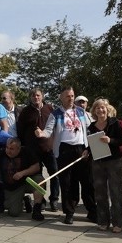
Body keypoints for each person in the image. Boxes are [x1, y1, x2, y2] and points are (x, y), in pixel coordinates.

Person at [37, 87, 93, 224]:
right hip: (64, 150)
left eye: (72, 96)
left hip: (82, 149)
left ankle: (92, 211)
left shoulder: (81, 111)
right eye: (68, 96)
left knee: (87, 182)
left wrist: (91, 147)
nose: (71, 98)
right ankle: (69, 212)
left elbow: (91, 127)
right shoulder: (55, 114)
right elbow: (48, 130)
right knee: (67, 183)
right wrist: (41, 133)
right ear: (61, 98)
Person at [87, 99, 122, 233]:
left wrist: (110, 140)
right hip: (98, 161)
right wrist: (86, 151)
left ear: (107, 109)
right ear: (94, 111)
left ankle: (118, 222)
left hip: (114, 161)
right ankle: (103, 221)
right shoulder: (92, 127)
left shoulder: (116, 123)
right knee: (100, 192)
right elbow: (92, 144)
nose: (100, 110)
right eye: (97, 108)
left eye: (103, 108)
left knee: (115, 191)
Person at [17, 88, 60, 212]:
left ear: (42, 96)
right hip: (33, 150)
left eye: (38, 95)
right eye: (33, 96)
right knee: (38, 177)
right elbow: (21, 130)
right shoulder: (25, 111)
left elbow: (56, 127)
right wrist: (23, 146)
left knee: (55, 174)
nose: (36, 97)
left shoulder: (50, 109)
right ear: (30, 97)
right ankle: (40, 200)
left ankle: (54, 199)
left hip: (48, 148)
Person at [0, 137, 43, 219]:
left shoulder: (27, 152)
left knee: (39, 181)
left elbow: (36, 167)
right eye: (7, 148)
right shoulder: (1, 153)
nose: (8, 151)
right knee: (13, 212)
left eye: (12, 149)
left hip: (27, 181)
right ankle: (25, 200)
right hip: (13, 186)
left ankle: (37, 209)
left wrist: (22, 173)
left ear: (19, 149)